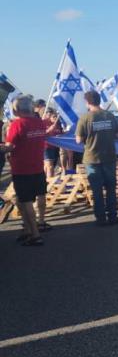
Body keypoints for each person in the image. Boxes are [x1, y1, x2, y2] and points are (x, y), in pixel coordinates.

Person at [3, 96, 49, 245]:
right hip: (37, 167)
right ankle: (29, 229)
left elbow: (9, 146)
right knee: (31, 198)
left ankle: (35, 235)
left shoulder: (17, 124)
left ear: (16, 110)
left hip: (22, 169)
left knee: (25, 201)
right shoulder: (40, 123)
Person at [75, 91, 118, 226]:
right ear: (99, 100)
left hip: (92, 158)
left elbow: (78, 140)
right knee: (111, 188)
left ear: (87, 102)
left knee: (97, 191)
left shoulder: (85, 118)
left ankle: (100, 219)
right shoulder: (110, 115)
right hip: (109, 157)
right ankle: (113, 216)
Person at [42, 107, 63, 178]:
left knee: (48, 166)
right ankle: (50, 184)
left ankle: (44, 182)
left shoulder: (58, 124)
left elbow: (60, 133)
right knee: (50, 166)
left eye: (55, 116)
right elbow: (41, 134)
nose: (55, 117)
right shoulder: (43, 122)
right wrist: (49, 129)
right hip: (46, 147)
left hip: (54, 147)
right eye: (53, 116)